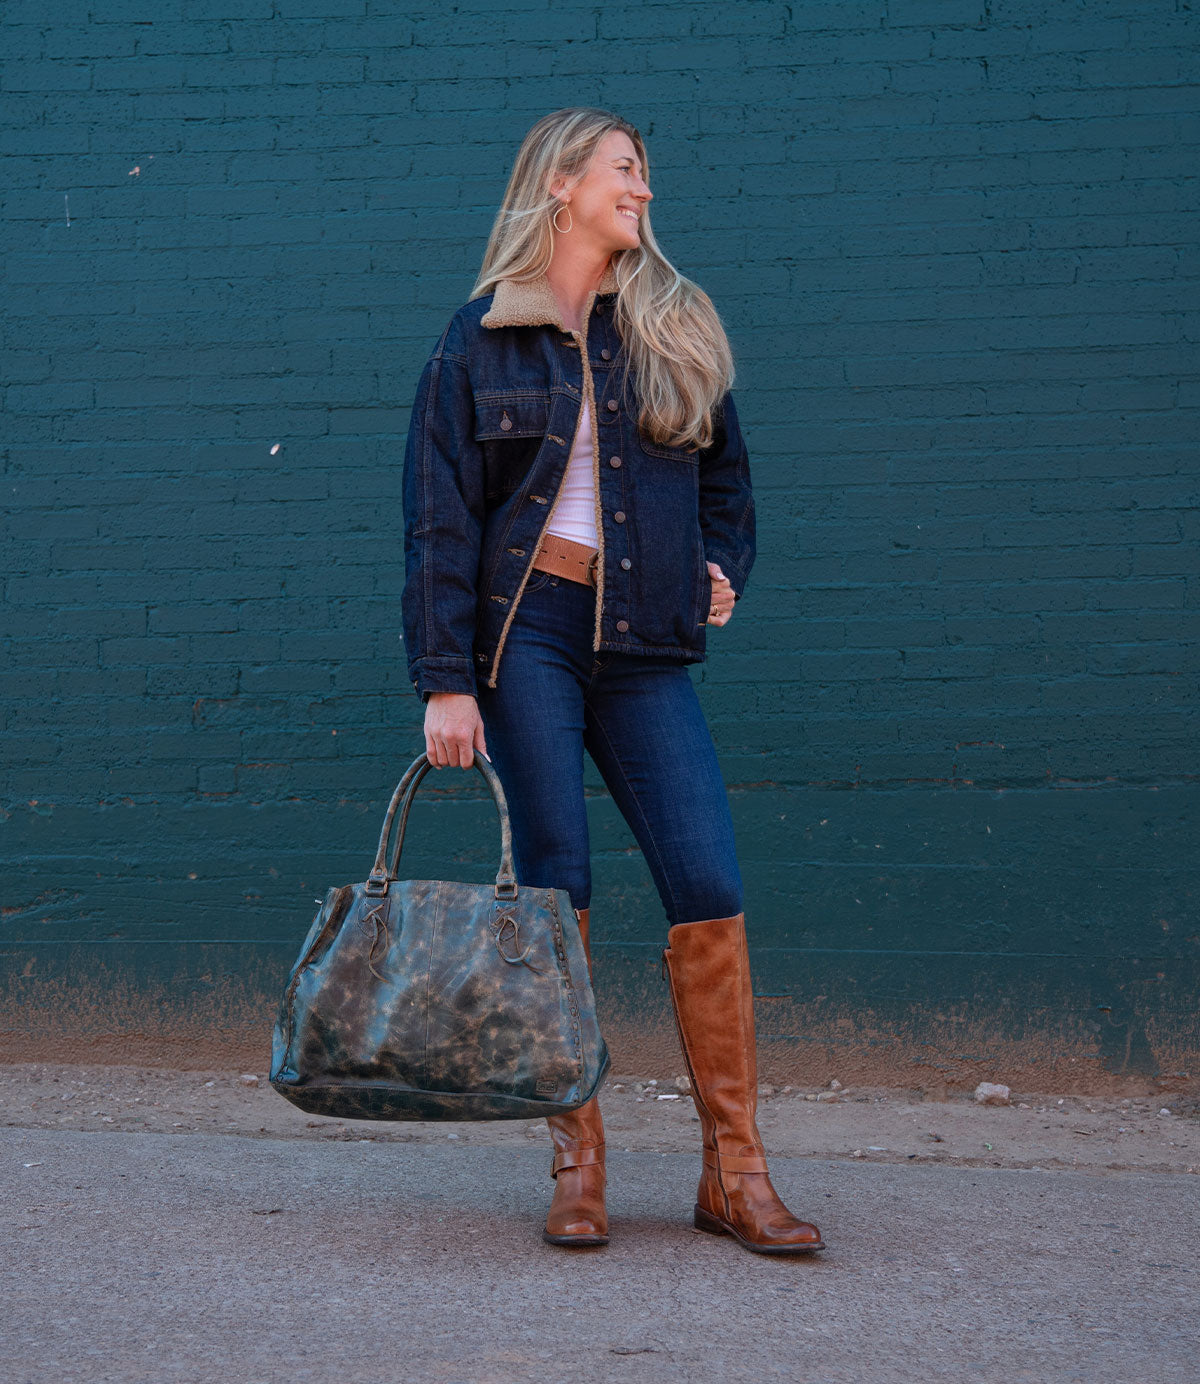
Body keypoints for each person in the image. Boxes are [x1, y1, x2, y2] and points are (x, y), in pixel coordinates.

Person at [401, 107, 824, 1256]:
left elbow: (729, 482)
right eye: (625, 170)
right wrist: (447, 680)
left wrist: (720, 569)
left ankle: (735, 1174)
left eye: (643, 172)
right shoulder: (478, 340)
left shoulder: (670, 326)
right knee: (558, 887)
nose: (643, 189)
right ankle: (578, 1162)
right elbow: (440, 524)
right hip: (527, 633)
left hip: (642, 644)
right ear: (562, 188)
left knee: (709, 881)